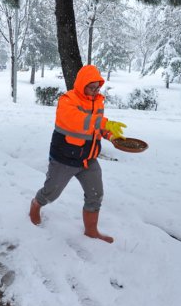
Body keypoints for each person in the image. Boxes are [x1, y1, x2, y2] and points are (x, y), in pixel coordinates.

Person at [29, 65, 126, 244]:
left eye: (98, 87)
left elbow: (95, 129)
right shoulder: (67, 100)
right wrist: (104, 123)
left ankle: (91, 231)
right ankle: (36, 203)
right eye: (92, 87)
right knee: (51, 193)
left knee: (95, 195)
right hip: (65, 158)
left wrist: (110, 135)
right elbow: (77, 121)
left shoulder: (97, 101)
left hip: (88, 159)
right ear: (82, 84)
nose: (96, 91)